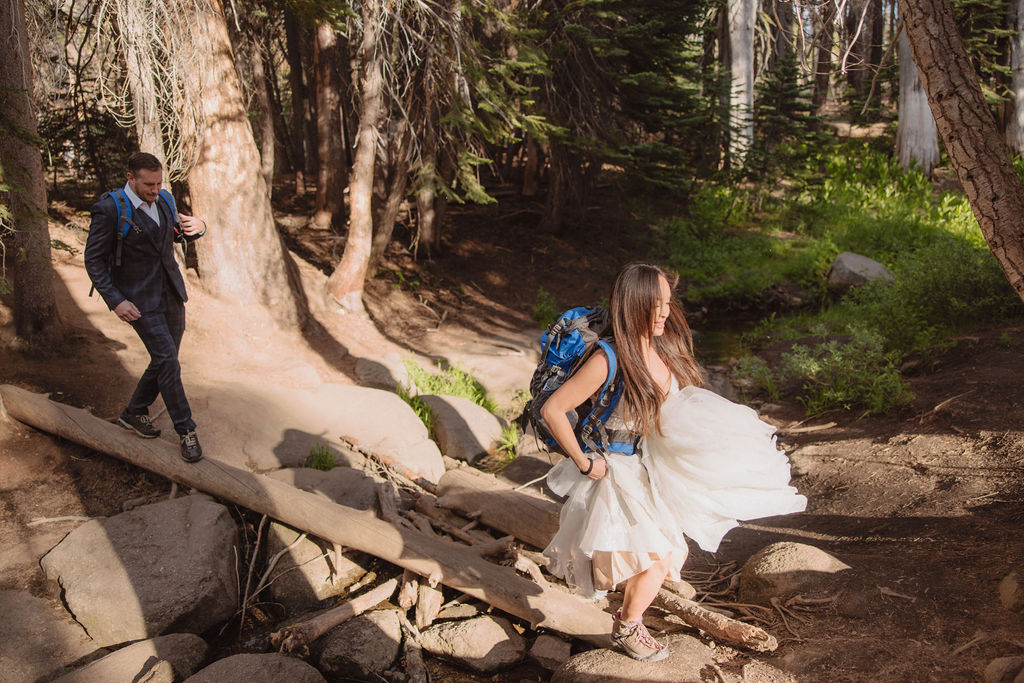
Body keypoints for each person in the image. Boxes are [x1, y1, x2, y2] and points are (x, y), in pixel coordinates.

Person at [540, 262, 807, 662]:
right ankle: (628, 627)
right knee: (658, 555)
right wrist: (584, 463)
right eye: (656, 303)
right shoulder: (608, 358)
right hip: (615, 470)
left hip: (647, 466)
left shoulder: (659, 348)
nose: (665, 311)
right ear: (635, 304)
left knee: (665, 554)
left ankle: (629, 621)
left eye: (668, 302)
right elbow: (553, 409)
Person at [84, 152, 208, 463]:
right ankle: (186, 431)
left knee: (165, 359)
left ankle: (134, 412)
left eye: (158, 183)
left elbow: (173, 235)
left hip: (171, 292)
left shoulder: (165, 199)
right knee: (167, 360)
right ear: (131, 178)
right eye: (148, 184)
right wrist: (116, 301)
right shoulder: (110, 208)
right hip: (137, 299)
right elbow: (93, 260)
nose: (155, 189)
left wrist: (199, 227)